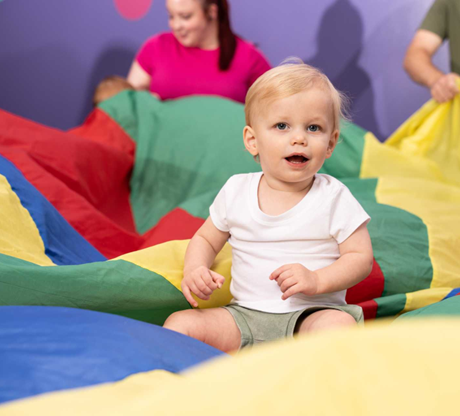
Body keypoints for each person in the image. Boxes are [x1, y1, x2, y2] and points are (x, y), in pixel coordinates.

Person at [163, 61, 374, 352]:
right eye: (282, 126)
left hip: (309, 318)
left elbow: (360, 258)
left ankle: (307, 375)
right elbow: (204, 238)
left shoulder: (333, 196)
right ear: (252, 140)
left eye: (313, 127)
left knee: (338, 329)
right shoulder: (237, 190)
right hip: (244, 318)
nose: (298, 138)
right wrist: (195, 268)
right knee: (180, 324)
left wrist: (316, 279)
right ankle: (192, 387)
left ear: (330, 143)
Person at [126, 0, 271, 103]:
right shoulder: (156, 47)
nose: (176, 25)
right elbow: (126, 104)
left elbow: (275, 111)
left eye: (185, 16)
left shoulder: (249, 58)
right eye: (171, 16)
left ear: (211, 12)